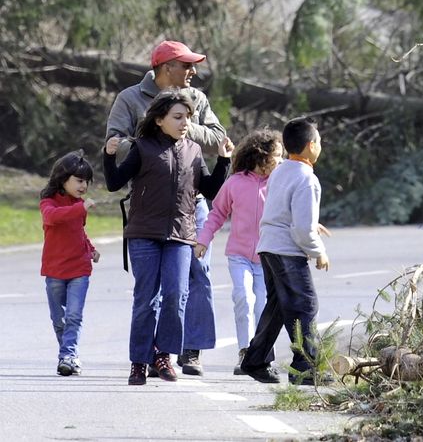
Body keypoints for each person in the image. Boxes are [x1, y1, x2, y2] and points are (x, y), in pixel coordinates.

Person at [105, 39, 226, 376]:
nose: (193, 71)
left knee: (196, 277)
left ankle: (189, 350)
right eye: (186, 65)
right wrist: (156, 132)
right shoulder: (129, 98)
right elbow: (114, 141)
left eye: (193, 65)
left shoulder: (198, 99)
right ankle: (151, 355)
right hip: (149, 204)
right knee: (153, 289)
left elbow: (218, 137)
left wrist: (183, 122)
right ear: (164, 68)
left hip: (193, 202)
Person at [239, 117, 332, 386]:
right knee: (305, 305)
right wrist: (318, 251)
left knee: (279, 306)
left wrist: (311, 226)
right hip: (287, 251)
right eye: (319, 142)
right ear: (310, 145)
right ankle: (304, 369)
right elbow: (301, 229)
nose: (320, 146)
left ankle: (255, 360)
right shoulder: (307, 178)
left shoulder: (281, 170)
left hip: (268, 247)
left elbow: (285, 211)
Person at [194, 128, 283, 375]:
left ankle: (262, 354)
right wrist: (203, 240)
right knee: (244, 298)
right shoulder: (235, 183)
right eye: (276, 155)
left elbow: (292, 209)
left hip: (267, 256)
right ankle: (244, 351)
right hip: (240, 255)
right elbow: (217, 213)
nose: (280, 160)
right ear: (260, 156)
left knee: (263, 305)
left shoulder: (278, 181)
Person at [40, 151, 101, 377]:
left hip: (79, 269)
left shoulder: (79, 205)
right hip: (55, 270)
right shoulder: (48, 202)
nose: (83, 185)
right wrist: (80, 209)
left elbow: (79, 232)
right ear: (63, 178)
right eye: (79, 180)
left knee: (74, 315)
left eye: (86, 181)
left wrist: (91, 249)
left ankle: (67, 356)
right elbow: (53, 218)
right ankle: (68, 352)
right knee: (59, 320)